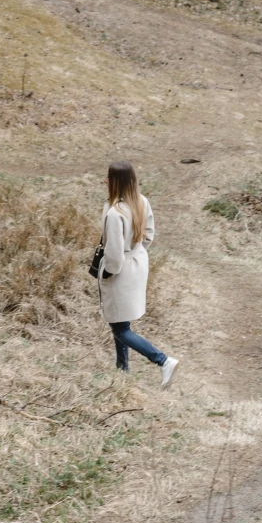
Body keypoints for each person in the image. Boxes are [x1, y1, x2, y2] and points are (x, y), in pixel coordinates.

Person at [98, 161, 179, 387]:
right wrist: (136, 251)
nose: (105, 181)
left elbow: (113, 253)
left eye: (108, 177)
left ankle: (163, 360)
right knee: (120, 321)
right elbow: (149, 234)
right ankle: (122, 369)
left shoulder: (116, 213)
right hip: (138, 263)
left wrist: (107, 271)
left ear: (115, 181)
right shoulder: (141, 202)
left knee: (120, 327)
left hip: (121, 270)